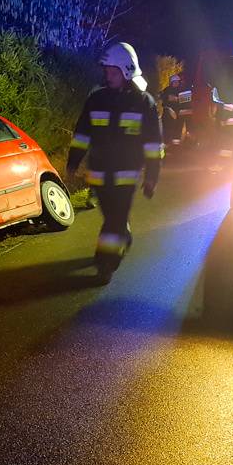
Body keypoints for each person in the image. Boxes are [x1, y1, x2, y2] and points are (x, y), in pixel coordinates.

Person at [66, 42, 163, 284]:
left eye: (113, 72)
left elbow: (153, 144)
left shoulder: (144, 102)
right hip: (99, 175)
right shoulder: (96, 99)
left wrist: (152, 176)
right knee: (112, 217)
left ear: (127, 71)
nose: (108, 76)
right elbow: (82, 134)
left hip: (126, 176)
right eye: (107, 71)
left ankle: (105, 263)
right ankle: (122, 235)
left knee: (114, 220)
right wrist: (73, 162)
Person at [161, 74, 183, 146]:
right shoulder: (167, 90)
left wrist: (177, 99)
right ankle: (167, 145)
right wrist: (169, 109)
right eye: (175, 82)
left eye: (177, 82)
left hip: (178, 115)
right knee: (167, 132)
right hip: (167, 116)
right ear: (171, 83)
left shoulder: (181, 90)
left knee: (177, 133)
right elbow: (163, 101)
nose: (176, 83)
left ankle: (175, 147)